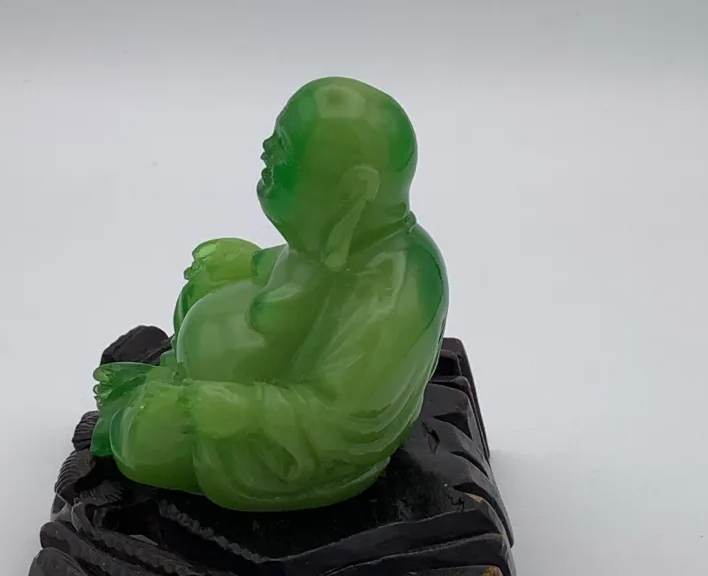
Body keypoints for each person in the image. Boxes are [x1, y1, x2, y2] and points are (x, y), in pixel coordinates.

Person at [90, 77, 448, 511]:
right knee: (205, 282)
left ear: (353, 190)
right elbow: (300, 265)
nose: (266, 150)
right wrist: (252, 261)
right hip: (252, 366)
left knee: (144, 441)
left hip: (293, 445)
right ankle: (168, 380)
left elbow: (338, 418)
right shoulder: (341, 235)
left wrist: (226, 408)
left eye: (284, 146)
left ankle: (159, 394)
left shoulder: (396, 292)